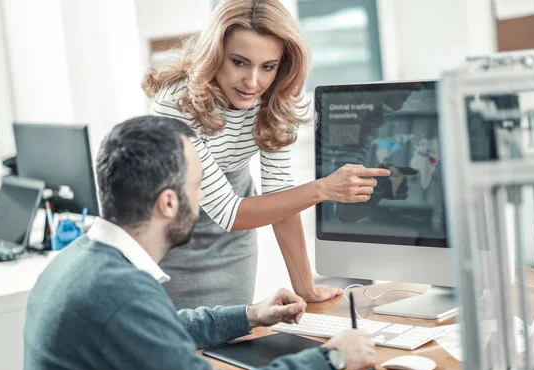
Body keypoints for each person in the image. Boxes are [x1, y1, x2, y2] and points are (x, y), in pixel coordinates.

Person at [22, 116, 377, 370]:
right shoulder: (117, 291)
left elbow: (161, 329)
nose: (203, 198)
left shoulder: (80, 261)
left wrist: (250, 315)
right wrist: (331, 357)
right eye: (199, 185)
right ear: (168, 204)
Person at [143, 0, 391, 309]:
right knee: (180, 342)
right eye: (239, 62)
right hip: (172, 238)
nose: (252, 82)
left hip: (235, 242)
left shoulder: (278, 95)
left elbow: (280, 195)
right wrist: (323, 188)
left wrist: (306, 287)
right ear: (215, 54)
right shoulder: (175, 105)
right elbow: (228, 213)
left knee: (231, 333)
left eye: (268, 67)